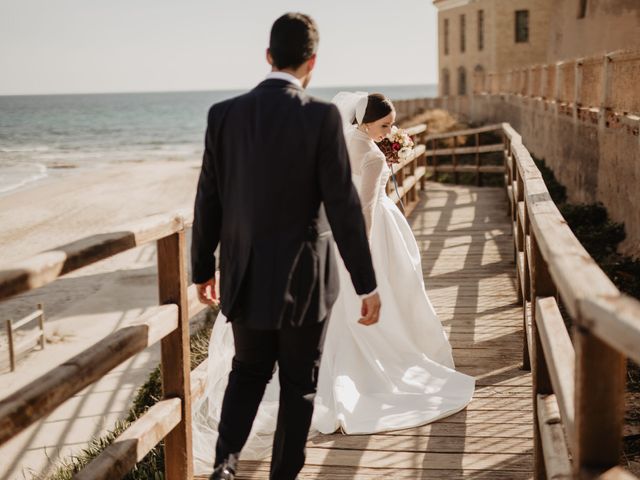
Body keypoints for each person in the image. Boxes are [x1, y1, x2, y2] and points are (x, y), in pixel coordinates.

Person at [190, 12, 381, 480]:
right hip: (305, 280)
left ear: (268, 56)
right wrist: (367, 283)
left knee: (247, 372)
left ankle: (225, 468)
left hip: (246, 274)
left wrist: (202, 270)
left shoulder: (224, 115)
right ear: (311, 62)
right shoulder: (319, 118)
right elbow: (342, 207)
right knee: (298, 385)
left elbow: (208, 198)